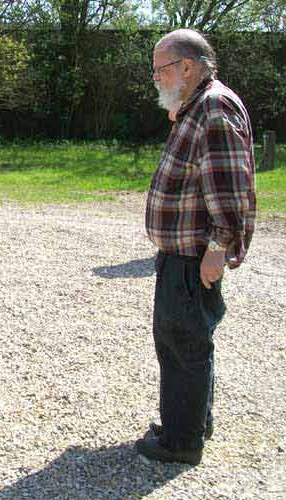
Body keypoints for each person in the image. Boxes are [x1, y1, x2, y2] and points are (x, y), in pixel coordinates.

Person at [137, 29, 256, 465]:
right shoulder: (198, 105)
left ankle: (181, 442)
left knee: (183, 343)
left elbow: (227, 184)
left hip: (193, 254)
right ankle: (187, 422)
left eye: (160, 70)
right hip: (182, 253)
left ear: (187, 66)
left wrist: (219, 246)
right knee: (182, 340)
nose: (156, 79)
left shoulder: (213, 106)